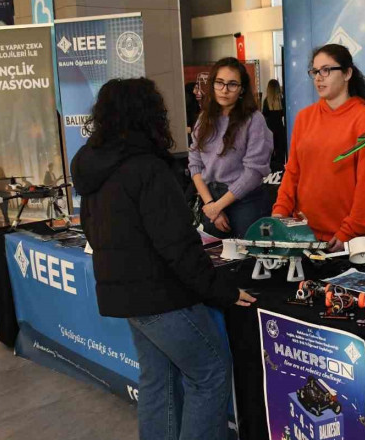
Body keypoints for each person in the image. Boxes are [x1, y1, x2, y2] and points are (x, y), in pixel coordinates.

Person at [70, 77, 256, 440]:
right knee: (210, 374)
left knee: (159, 381)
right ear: (149, 114)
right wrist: (222, 291)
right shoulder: (147, 168)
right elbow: (178, 246)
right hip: (162, 297)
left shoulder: (94, 165)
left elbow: (92, 231)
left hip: (127, 297)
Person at [272, 44, 365, 253]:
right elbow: (293, 172)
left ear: (347, 73)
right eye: (315, 71)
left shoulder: (364, 119)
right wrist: (280, 212)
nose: (318, 77)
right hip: (303, 235)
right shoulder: (305, 117)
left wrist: (347, 232)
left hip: (348, 241)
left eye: (326, 70)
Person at [189, 57, 273, 238]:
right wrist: (211, 204)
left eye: (232, 84)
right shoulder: (204, 118)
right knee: (215, 259)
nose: (224, 90)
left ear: (242, 89)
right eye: (219, 83)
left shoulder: (254, 120)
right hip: (211, 198)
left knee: (248, 261)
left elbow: (254, 172)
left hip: (246, 201)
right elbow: (194, 165)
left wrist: (217, 207)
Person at [262, 79, 287, 172]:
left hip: (269, 129)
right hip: (280, 128)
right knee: (281, 151)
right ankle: (281, 172)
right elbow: (285, 113)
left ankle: (271, 173)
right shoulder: (282, 100)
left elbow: (264, 114)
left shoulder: (266, 101)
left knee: (270, 152)